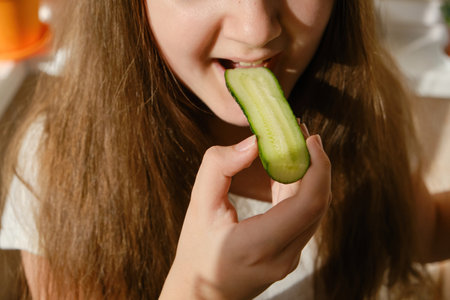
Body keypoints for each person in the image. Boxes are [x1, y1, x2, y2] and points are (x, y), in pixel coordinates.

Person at [0, 0, 449, 299]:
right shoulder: (55, 166)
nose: (257, 28)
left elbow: (418, 232)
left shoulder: (360, 108)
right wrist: (198, 291)